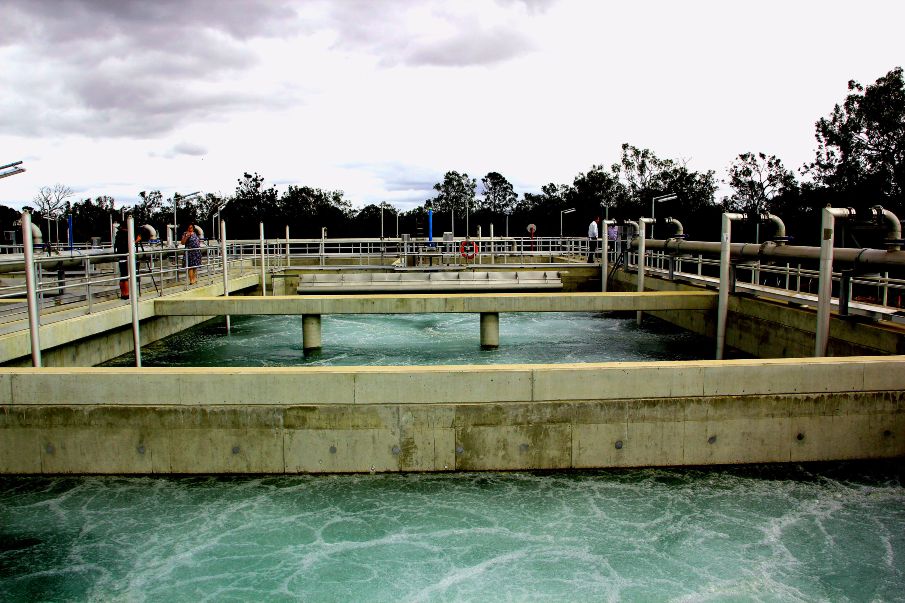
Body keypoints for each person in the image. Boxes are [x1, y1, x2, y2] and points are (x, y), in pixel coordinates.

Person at [113, 223, 130, 299]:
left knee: (122, 276)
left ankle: (123, 294)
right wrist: (137, 240)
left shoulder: (118, 235)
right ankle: (126, 294)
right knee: (126, 276)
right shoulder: (126, 235)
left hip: (120, 257)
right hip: (126, 256)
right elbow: (130, 243)